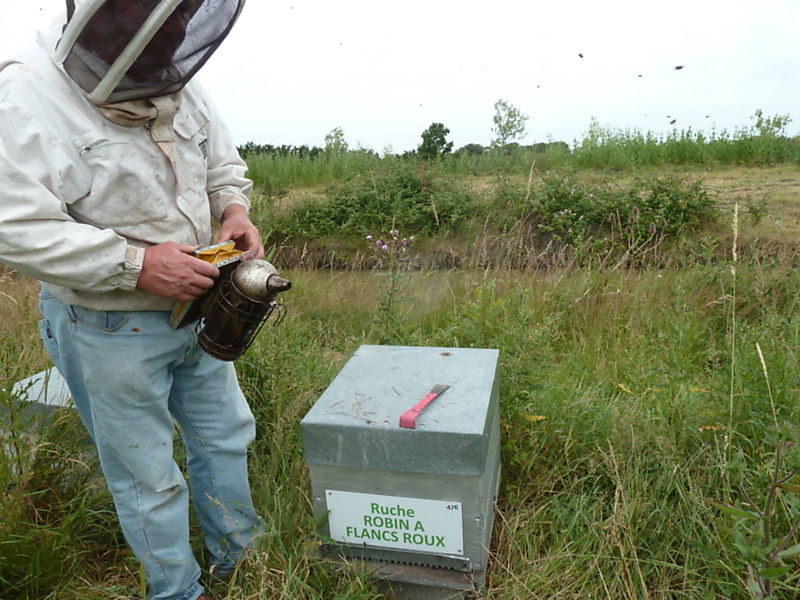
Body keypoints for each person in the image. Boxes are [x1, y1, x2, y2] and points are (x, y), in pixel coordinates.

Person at [0, 1, 263, 599]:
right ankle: (178, 590)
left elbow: (219, 159)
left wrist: (234, 209)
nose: (171, 46)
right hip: (108, 326)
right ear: (110, 18)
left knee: (226, 435)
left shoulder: (167, 67)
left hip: (200, 308)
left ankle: (241, 565)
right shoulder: (23, 96)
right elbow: (14, 226)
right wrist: (137, 264)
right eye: (158, 31)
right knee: (148, 475)